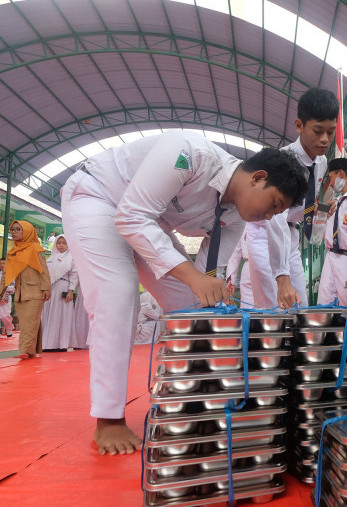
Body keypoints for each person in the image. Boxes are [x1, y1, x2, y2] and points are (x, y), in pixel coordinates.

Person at [60, 130, 306, 456]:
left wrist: (210, 292)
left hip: (148, 222)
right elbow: (132, 216)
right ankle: (108, 418)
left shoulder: (235, 219)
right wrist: (195, 277)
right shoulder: (189, 154)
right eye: (274, 205)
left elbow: (206, 276)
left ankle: (194, 392)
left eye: (278, 213)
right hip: (98, 197)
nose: (270, 216)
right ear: (258, 178)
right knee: (118, 294)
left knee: (193, 307)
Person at [249, 88, 338, 309]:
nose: (325, 139)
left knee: (300, 308)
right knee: (273, 309)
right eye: (318, 131)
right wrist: (282, 277)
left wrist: (318, 210)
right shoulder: (282, 162)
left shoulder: (321, 162)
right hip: (264, 234)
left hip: (290, 235)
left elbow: (300, 205)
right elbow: (276, 217)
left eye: (331, 131)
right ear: (299, 125)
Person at [317, 158, 347, 306]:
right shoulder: (337, 203)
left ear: (340, 174)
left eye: (331, 177)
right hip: (332, 256)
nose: (331, 183)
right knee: (324, 302)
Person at [4, 221, 51, 359]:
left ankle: (24, 350)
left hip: (36, 292)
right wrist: (1, 291)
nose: (14, 232)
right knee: (27, 323)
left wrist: (46, 288)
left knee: (30, 322)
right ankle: (31, 350)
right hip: (19, 294)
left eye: (18, 229)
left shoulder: (37, 249)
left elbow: (44, 271)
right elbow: (6, 275)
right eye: (12, 229)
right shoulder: (13, 252)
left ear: (27, 231)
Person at [41, 234, 86, 351]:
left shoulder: (71, 257)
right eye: (59, 243)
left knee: (62, 316)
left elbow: (74, 275)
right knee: (49, 315)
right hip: (50, 290)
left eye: (64, 243)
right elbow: (45, 275)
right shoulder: (50, 258)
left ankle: (61, 344)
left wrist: (71, 290)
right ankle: (47, 344)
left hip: (64, 289)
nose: (61, 245)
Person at [225, 223, 256, 308]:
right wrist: (232, 279)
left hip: (273, 268)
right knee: (248, 309)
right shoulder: (244, 220)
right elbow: (236, 250)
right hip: (249, 269)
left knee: (275, 309)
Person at [0, 259, 15, 338]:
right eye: (1, 263)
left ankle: (9, 329)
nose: (2, 265)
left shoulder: (11, 275)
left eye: (4, 263)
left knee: (5, 315)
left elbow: (12, 288)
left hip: (6, 297)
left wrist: (2, 290)